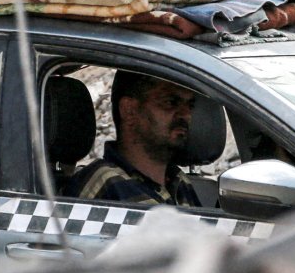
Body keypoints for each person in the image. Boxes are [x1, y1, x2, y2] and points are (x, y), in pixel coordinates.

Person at [66, 71, 202, 208]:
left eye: (190, 106)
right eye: (170, 102)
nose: (186, 115)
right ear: (129, 110)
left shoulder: (178, 181)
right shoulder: (104, 182)